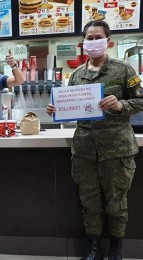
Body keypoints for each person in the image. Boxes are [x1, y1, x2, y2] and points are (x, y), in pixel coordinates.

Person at [47, 20, 143, 260]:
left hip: (117, 150)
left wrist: (121, 104)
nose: (92, 41)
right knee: (90, 203)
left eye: (97, 37)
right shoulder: (77, 75)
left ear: (107, 40)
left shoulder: (123, 70)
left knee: (116, 203)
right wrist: (57, 109)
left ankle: (115, 250)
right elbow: (72, 107)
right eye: (88, 38)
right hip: (85, 152)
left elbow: (141, 100)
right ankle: (93, 250)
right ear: (83, 43)